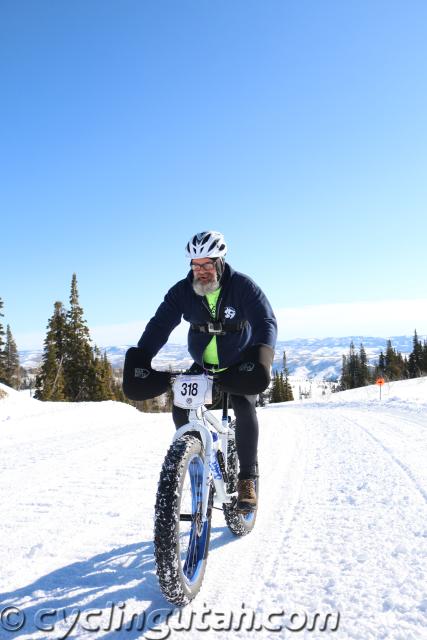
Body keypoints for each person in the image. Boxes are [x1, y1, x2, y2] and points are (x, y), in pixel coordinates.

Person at [127, 231, 277, 512]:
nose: (202, 271)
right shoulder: (182, 291)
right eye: (196, 265)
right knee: (181, 409)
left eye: (207, 265)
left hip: (238, 363)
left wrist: (261, 357)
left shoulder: (242, 287)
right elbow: (160, 325)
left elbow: (265, 320)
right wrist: (143, 356)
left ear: (220, 262)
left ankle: (247, 479)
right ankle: (194, 465)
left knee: (244, 408)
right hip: (204, 366)